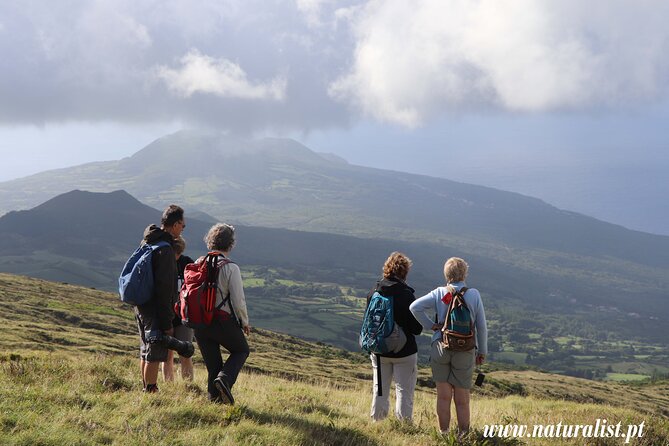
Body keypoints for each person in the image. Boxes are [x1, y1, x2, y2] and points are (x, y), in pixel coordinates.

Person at [409, 257, 487, 435]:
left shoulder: (439, 293)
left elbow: (414, 307)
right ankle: (462, 435)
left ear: (446, 274)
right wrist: (482, 351)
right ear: (464, 274)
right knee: (462, 399)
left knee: (443, 396)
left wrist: (431, 326)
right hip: (465, 349)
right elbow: (481, 326)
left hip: (440, 346)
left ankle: (444, 434)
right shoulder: (474, 294)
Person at [194, 223, 250, 404]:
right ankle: (225, 379)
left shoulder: (198, 262)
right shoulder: (231, 268)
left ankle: (214, 402)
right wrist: (244, 322)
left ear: (210, 241)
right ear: (230, 244)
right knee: (241, 350)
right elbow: (238, 300)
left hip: (200, 322)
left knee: (213, 366)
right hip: (221, 321)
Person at [134, 204, 186, 393]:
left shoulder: (148, 241)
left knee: (145, 349)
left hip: (142, 305)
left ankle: (145, 387)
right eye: (182, 225)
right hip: (156, 309)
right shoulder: (165, 250)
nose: (182, 228)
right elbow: (165, 289)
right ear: (174, 224)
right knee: (154, 354)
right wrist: (167, 322)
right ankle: (151, 390)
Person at [367, 252, 423, 422]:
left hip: (379, 350)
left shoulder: (374, 292)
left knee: (380, 389)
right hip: (404, 352)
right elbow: (416, 329)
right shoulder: (406, 295)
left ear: (386, 269)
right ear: (404, 272)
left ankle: (377, 422)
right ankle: (403, 425)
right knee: (404, 391)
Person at [162, 235, 195, 382]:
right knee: (167, 355)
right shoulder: (162, 264)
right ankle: (169, 386)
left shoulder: (187, 263)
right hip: (166, 316)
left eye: (178, 254)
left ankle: (188, 387)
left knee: (185, 353)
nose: (176, 257)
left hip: (184, 317)